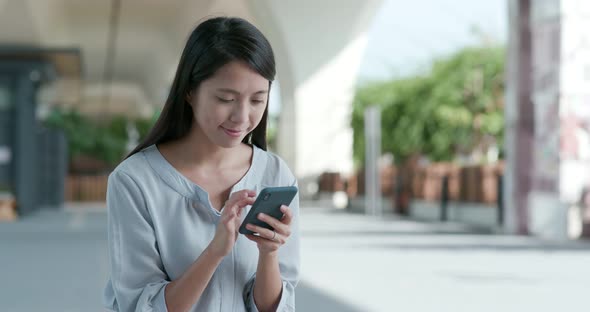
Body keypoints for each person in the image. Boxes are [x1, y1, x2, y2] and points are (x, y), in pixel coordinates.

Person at [103, 16, 300, 312]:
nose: (242, 116)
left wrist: (269, 253)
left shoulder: (275, 174)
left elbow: (278, 307)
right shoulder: (135, 181)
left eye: (258, 100)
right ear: (190, 92)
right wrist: (215, 252)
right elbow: (140, 306)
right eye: (226, 98)